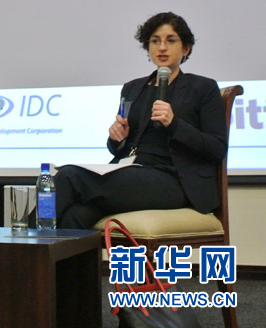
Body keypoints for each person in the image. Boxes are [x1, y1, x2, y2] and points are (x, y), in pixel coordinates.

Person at [55, 12, 227, 229]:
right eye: (155, 41)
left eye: (171, 40)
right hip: (132, 173)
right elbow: (119, 149)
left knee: (69, 176)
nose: (162, 48)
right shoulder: (132, 88)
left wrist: (174, 124)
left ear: (186, 48)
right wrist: (117, 138)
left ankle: (25, 242)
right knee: (75, 215)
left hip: (176, 181)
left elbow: (216, 148)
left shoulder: (203, 88)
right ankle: (46, 249)